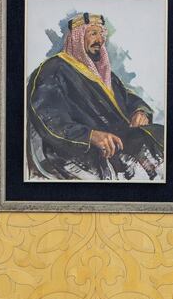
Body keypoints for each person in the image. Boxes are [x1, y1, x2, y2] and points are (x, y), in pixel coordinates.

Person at [26, 12, 165, 181]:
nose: (100, 40)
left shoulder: (104, 74)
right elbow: (50, 119)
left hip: (120, 142)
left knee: (160, 136)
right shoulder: (54, 70)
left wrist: (139, 111)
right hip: (79, 152)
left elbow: (126, 98)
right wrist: (90, 136)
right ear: (76, 38)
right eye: (93, 33)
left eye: (101, 34)